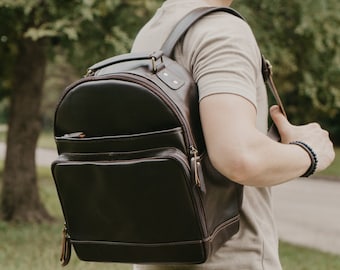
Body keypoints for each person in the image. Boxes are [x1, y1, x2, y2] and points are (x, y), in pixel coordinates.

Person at [131, 0, 335, 269]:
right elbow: (239, 158)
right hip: (231, 260)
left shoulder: (156, 29)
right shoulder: (220, 30)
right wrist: (310, 152)